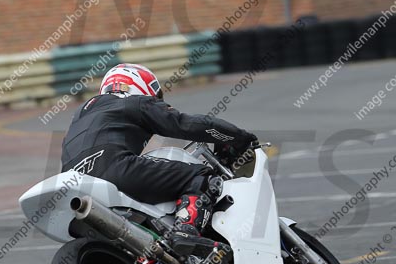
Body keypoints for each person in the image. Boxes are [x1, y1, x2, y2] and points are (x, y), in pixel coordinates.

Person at [61, 63, 256, 236]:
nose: (158, 100)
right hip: (116, 169)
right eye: (156, 95)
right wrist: (240, 138)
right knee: (202, 177)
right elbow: (187, 125)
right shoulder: (135, 102)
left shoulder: (79, 117)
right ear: (139, 85)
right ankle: (185, 232)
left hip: (73, 185)